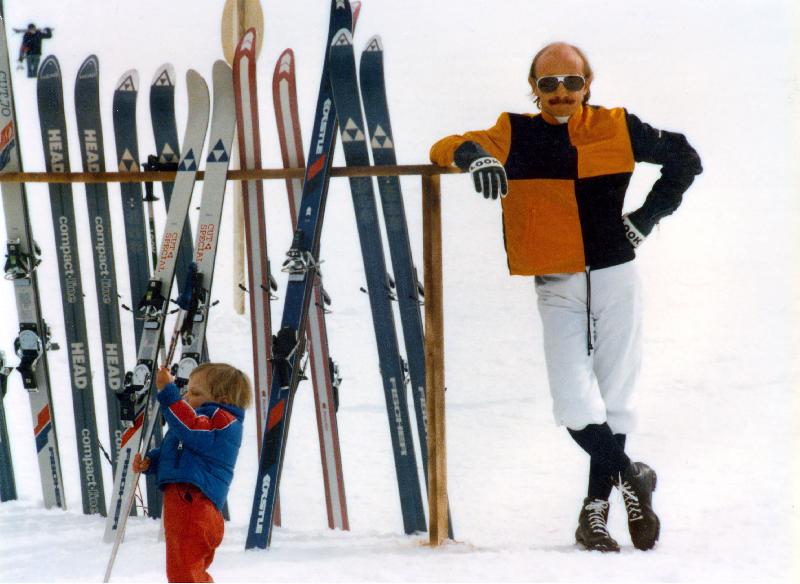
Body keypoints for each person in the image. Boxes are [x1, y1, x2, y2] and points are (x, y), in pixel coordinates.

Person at [430, 42, 702, 552]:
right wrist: (478, 159)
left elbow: (685, 159)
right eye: (548, 83)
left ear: (588, 85)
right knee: (575, 400)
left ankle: (592, 514)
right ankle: (632, 477)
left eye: (571, 83)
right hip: (556, 278)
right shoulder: (513, 132)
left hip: (616, 271)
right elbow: (445, 145)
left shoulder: (617, 126)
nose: (561, 93)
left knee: (616, 395)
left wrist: (644, 221)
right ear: (532, 89)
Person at [133, 363, 251, 582]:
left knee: (183, 573)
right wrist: (152, 462)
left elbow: (192, 430)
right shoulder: (205, 421)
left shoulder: (221, 420)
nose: (187, 397)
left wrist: (169, 394)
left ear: (222, 400)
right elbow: (180, 451)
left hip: (194, 504)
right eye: (187, 391)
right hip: (190, 502)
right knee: (188, 570)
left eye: (195, 393)